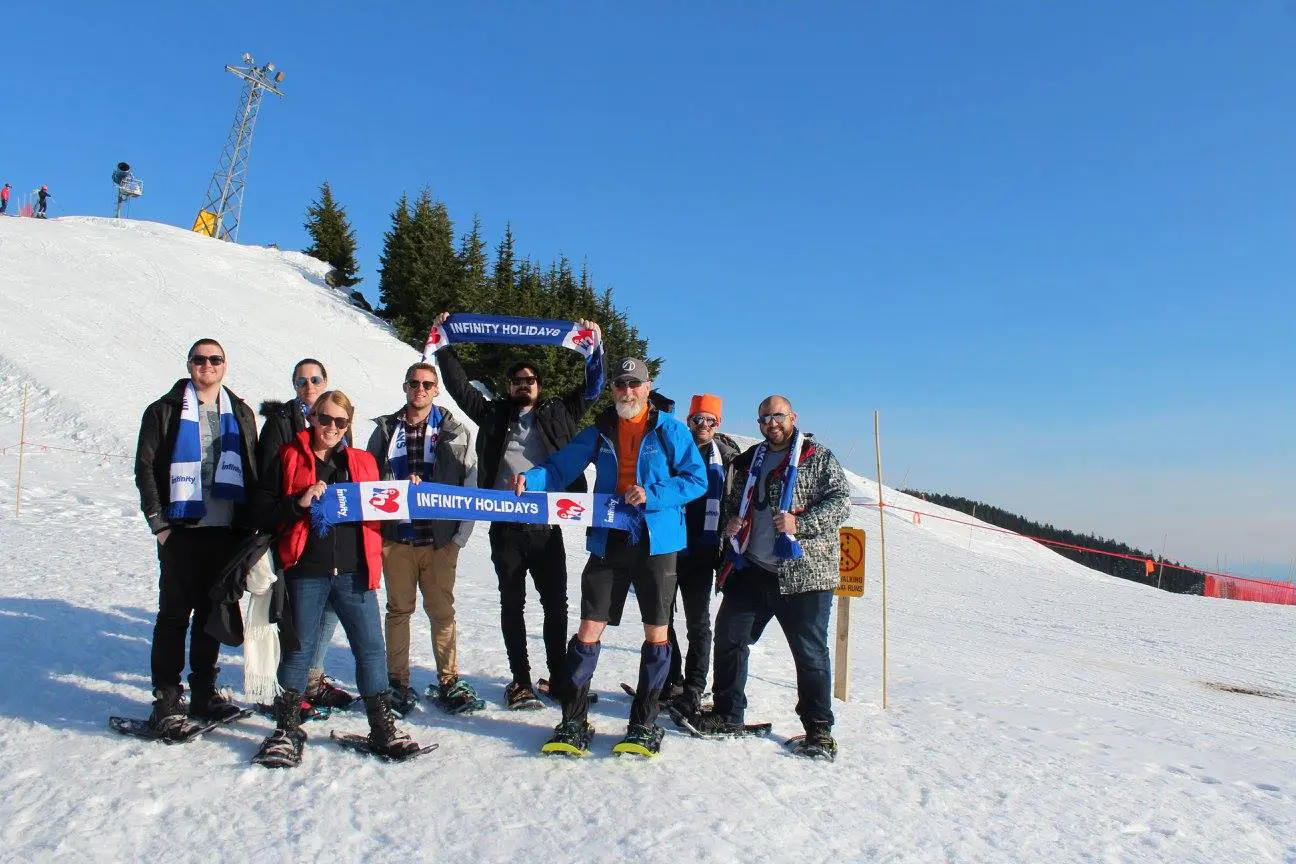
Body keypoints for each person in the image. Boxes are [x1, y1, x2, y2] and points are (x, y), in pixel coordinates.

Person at [514, 357, 707, 755]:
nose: (627, 391)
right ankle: (573, 721)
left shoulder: (670, 429)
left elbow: (696, 480)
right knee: (588, 628)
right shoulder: (600, 430)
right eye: (620, 384)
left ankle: (644, 724)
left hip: (658, 542)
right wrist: (529, 480)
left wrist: (653, 495)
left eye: (634, 384)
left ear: (648, 387)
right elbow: (560, 466)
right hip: (609, 538)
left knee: (657, 631)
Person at [431, 311, 603, 709]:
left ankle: (560, 679)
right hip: (505, 528)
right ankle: (521, 680)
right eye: (517, 381)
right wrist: (445, 342)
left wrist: (595, 345)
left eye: (530, 380)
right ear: (508, 387)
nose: (523, 385)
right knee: (513, 604)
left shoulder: (558, 413)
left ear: (539, 387)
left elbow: (592, 389)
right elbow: (459, 388)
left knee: (555, 605)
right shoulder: (493, 414)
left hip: (546, 527)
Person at [251, 390, 423, 766]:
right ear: (312, 418)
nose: (331, 428)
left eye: (340, 422)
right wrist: (298, 503)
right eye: (325, 419)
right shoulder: (289, 457)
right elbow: (261, 510)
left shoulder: (361, 462)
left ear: (349, 425)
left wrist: (406, 492)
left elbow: (384, 506)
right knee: (299, 651)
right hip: (305, 571)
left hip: (354, 572)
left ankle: (382, 728)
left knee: (371, 651)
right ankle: (286, 728)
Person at [691, 395, 850, 760]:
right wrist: (732, 521)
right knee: (730, 639)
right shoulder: (751, 459)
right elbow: (735, 501)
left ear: (793, 416)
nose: (771, 424)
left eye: (777, 416)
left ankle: (819, 730)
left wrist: (802, 524)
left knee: (810, 654)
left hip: (804, 575)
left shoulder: (816, 457)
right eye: (764, 419)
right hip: (752, 569)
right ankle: (727, 714)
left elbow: (840, 500)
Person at [133, 339, 258, 735]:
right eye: (200, 359)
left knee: (211, 617)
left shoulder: (239, 412)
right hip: (182, 532)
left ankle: (204, 693)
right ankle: (167, 700)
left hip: (226, 531)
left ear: (225, 365)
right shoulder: (164, 410)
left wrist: (251, 526)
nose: (207, 365)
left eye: (215, 359)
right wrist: (160, 524)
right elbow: (146, 467)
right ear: (189, 364)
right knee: (173, 617)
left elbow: (252, 467)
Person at [367, 362, 477, 715]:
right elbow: (369, 480)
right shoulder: (385, 430)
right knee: (399, 611)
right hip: (397, 538)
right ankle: (397, 681)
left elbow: (469, 485)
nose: (420, 388)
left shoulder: (455, 431)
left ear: (436, 390)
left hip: (438, 540)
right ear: (405, 387)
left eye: (427, 384)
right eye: (414, 383)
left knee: (441, 613)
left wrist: (459, 538)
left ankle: (449, 680)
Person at [256, 358, 355, 715]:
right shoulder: (282, 422)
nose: (308, 386)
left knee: (328, 610)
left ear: (325, 381)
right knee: (296, 615)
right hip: (294, 530)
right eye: (301, 381)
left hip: (331, 535)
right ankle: (287, 688)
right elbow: (270, 477)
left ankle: (313, 677)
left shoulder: (339, 417)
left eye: (315, 379)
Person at [662, 393, 740, 716]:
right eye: (698, 419)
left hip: (703, 552)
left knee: (698, 623)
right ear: (689, 420)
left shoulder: (727, 459)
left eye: (711, 420)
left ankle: (694, 687)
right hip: (668, 546)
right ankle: (671, 677)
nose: (704, 425)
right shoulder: (674, 450)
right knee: (661, 618)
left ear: (718, 424)